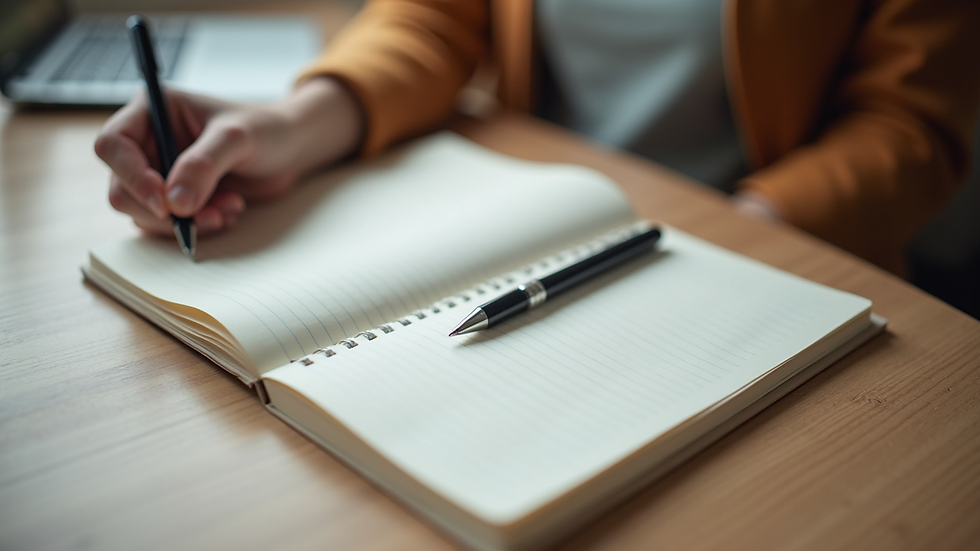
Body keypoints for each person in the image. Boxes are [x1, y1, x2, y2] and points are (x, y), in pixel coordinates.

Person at [95, 0, 980, 275]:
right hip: (538, 216)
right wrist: (287, 126)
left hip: (764, 245)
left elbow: (911, 123)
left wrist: (755, 227)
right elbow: (436, 21)